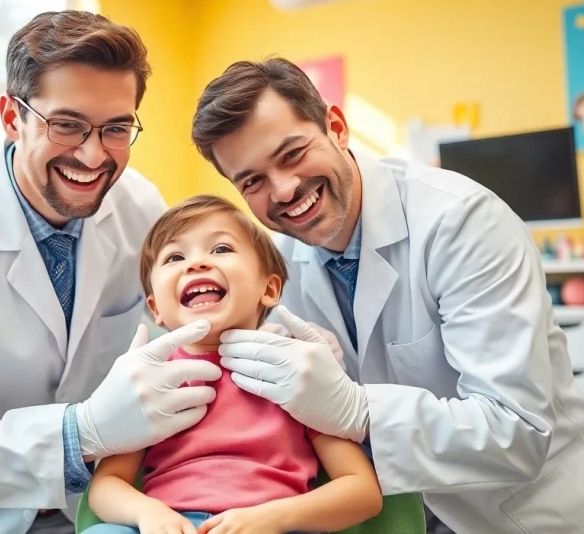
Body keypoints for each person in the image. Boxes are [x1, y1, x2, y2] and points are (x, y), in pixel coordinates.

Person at [188, 57, 584, 533]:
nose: (285, 189)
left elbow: (516, 433)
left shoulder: (462, 222)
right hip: (398, 513)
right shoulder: (276, 261)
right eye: (252, 181)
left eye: (292, 153)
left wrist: (355, 408)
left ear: (336, 127)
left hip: (519, 512)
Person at [0, 11, 223, 534]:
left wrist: (274, 333)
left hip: (90, 511)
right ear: (12, 116)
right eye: (67, 124)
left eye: (116, 128)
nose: (93, 154)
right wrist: (83, 431)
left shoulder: (140, 205)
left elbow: (188, 317)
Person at [85, 195, 382, 534]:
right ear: (156, 309)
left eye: (221, 249)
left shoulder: (295, 372)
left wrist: (272, 518)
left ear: (268, 288)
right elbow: (107, 484)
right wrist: (149, 514)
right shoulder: (148, 382)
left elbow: (362, 491)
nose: (196, 264)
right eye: (175, 256)